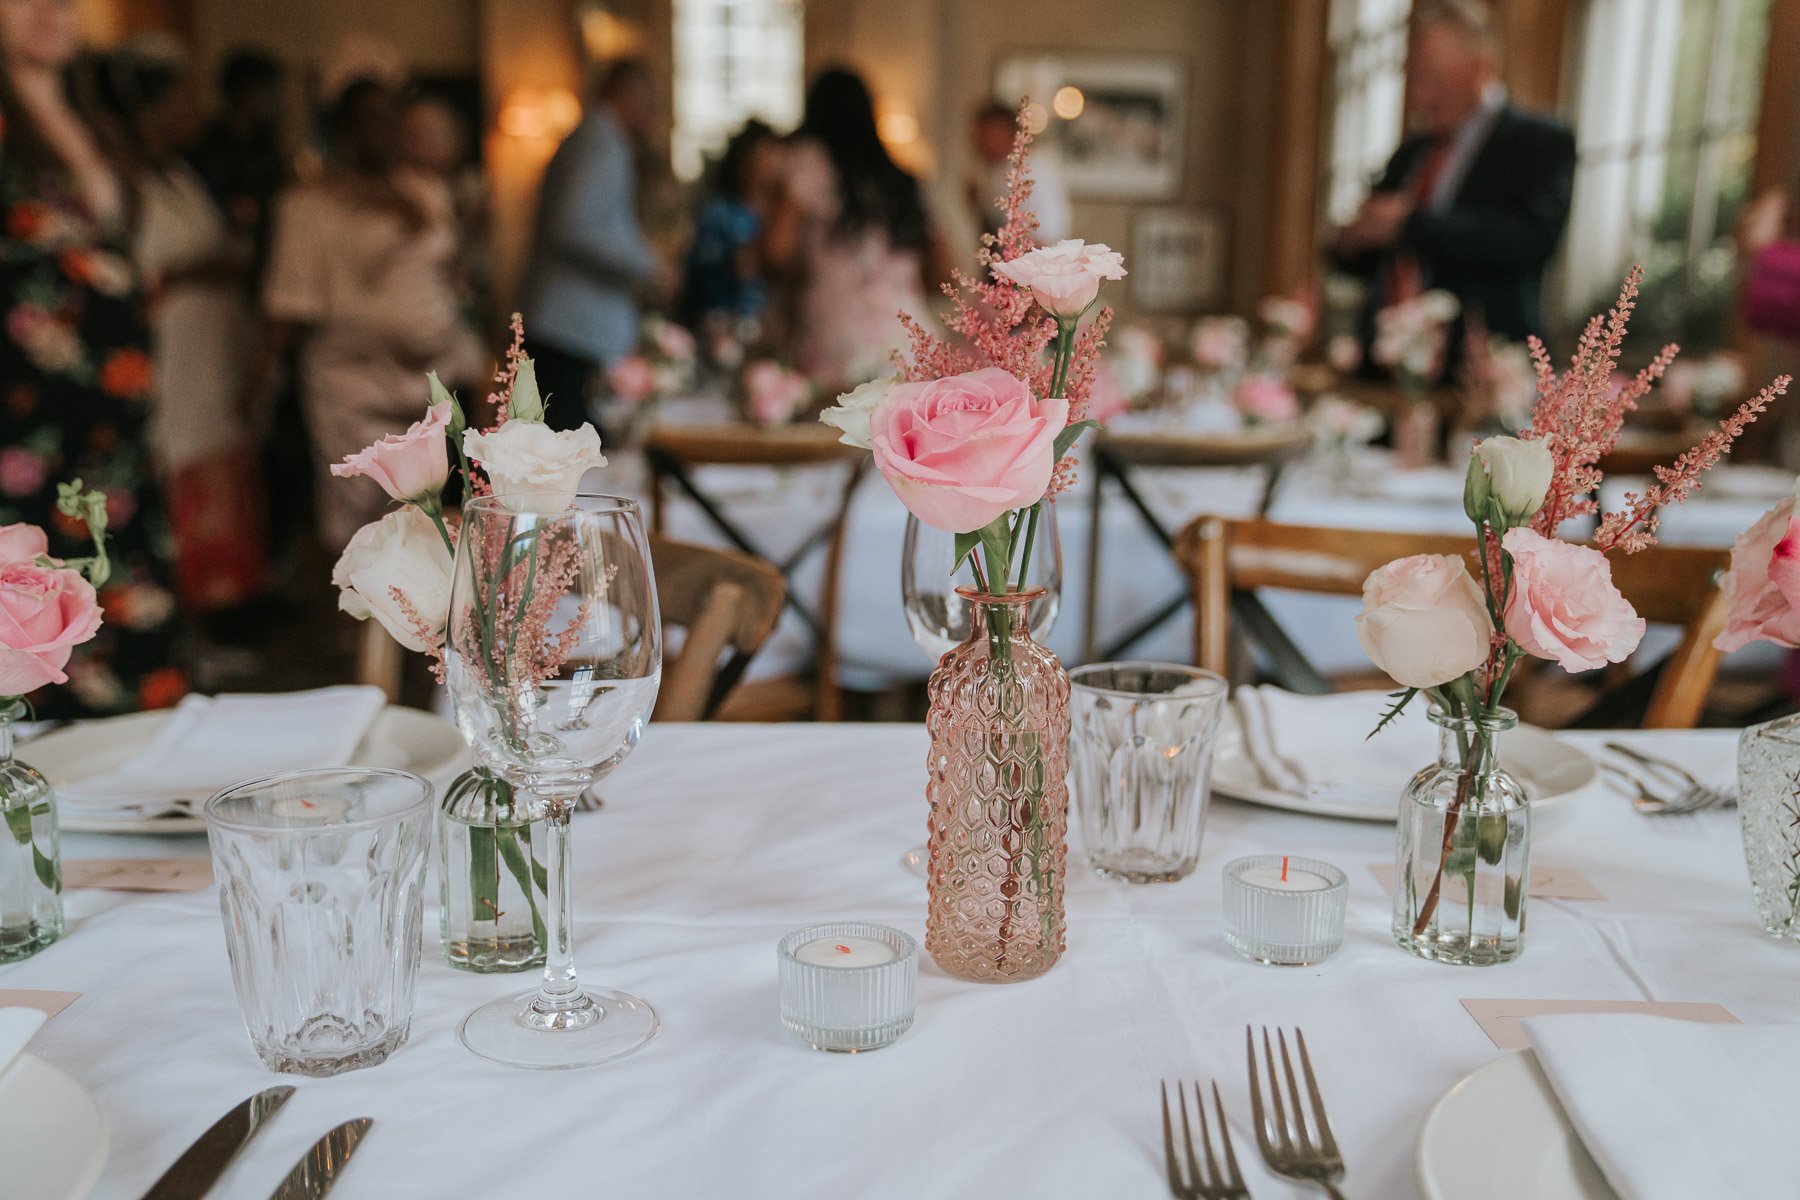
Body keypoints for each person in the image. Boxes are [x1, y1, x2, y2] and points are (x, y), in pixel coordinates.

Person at [0, 0, 186, 715]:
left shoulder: (89, 123)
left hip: (113, 453)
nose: (50, 10)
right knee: (43, 662)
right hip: (25, 444)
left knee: (132, 644)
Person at [261, 77, 484, 551]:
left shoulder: (425, 191)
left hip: (429, 388)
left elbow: (454, 277)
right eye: (367, 121)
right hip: (353, 391)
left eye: (389, 119)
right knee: (359, 527)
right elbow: (291, 307)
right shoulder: (307, 206)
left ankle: (418, 622)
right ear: (341, 130)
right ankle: (357, 621)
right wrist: (261, 381)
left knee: (425, 521)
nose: (380, 132)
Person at [93, 37, 265, 613]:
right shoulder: (122, 185)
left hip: (211, 345)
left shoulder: (178, 177)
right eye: (178, 104)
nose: (190, 117)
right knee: (178, 468)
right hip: (171, 350)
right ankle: (187, 609)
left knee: (221, 459)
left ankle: (225, 608)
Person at [1333, 0, 1575, 365]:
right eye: (1415, 79)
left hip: (1482, 369)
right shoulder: (1411, 152)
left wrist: (1410, 224)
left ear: (1481, 66)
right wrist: (1353, 241)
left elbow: (1532, 239)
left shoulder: (1540, 142)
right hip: (1387, 369)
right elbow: (1368, 265)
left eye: (1434, 80)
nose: (1420, 96)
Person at [762, 66, 948, 392]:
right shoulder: (901, 178)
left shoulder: (810, 163)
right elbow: (945, 269)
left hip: (839, 330)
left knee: (838, 434)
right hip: (909, 335)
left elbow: (777, 250)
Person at [519, 58, 674, 431]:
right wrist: (649, 264)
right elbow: (576, 225)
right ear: (626, 93)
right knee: (573, 450)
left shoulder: (592, 138)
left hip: (566, 326)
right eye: (649, 101)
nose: (651, 113)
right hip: (569, 330)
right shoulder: (600, 142)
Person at [186, 48, 285, 286]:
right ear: (248, 92)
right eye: (272, 91)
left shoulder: (266, 148)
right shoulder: (206, 147)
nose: (279, 101)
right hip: (216, 266)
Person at [681, 118, 777, 332]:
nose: (771, 164)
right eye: (761, 157)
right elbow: (701, 262)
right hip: (720, 322)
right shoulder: (719, 211)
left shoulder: (781, 212)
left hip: (768, 325)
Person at [966, 98, 1069, 243]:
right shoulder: (992, 172)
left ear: (1005, 132)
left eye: (983, 132)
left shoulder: (1031, 171)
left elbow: (1046, 234)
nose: (975, 139)